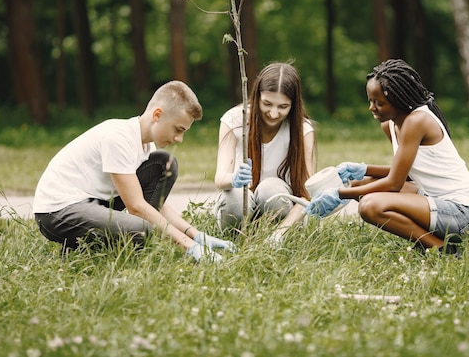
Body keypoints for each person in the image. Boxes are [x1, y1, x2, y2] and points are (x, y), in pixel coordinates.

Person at [33, 81, 236, 262]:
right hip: (57, 212)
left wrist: (196, 235)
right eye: (178, 129)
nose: (179, 139)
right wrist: (188, 246)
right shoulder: (118, 137)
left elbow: (155, 207)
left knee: (164, 164)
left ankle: (81, 247)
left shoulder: (147, 147)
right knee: (141, 230)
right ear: (157, 115)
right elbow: (137, 206)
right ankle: (77, 248)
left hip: (92, 202)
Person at [305, 59, 469, 256]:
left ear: (399, 99)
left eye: (379, 103)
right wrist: (361, 170)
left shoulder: (416, 121)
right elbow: (407, 174)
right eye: (370, 101)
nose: (372, 108)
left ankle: (440, 249)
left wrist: (339, 194)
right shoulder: (391, 124)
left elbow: (394, 183)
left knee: (370, 206)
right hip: (435, 202)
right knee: (358, 183)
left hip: (463, 213)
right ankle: (434, 241)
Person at [213, 62, 316, 243]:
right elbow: (220, 178)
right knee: (234, 195)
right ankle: (233, 240)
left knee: (271, 188)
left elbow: (307, 195)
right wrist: (233, 178)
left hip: (282, 212)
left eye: (283, 106)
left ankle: (274, 237)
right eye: (267, 103)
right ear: (256, 96)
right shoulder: (235, 120)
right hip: (241, 206)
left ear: (294, 104)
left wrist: (280, 233)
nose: (274, 114)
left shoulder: (302, 130)